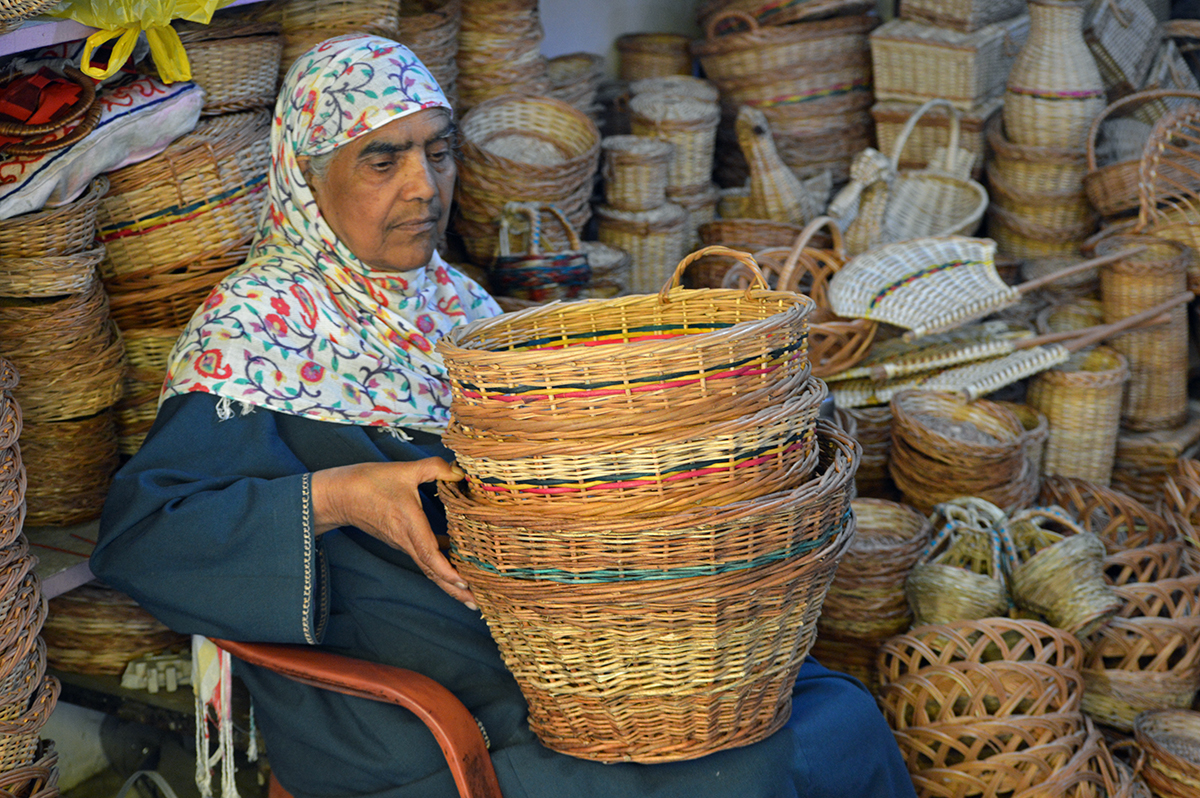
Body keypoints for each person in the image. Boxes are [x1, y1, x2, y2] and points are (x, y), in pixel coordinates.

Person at [91, 34, 917, 798]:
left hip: (566, 636)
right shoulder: (255, 327)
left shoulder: (459, 307)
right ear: (306, 179)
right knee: (741, 768)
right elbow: (145, 538)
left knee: (828, 711)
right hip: (416, 689)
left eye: (437, 152)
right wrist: (336, 497)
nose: (424, 186)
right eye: (383, 159)